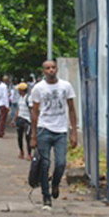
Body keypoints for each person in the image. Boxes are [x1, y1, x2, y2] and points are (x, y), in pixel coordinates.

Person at [29, 59, 78, 209]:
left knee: (61, 162)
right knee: (44, 164)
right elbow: (35, 112)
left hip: (61, 130)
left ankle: (55, 183)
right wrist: (33, 135)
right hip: (44, 129)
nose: (50, 70)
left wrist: (74, 131)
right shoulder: (38, 88)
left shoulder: (65, 86)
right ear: (43, 71)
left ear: (56, 69)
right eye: (47, 68)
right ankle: (46, 196)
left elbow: (71, 109)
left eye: (53, 67)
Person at [14, 82, 33, 159]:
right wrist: (15, 119)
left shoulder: (28, 98)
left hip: (27, 120)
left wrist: (33, 121)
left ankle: (29, 153)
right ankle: (21, 151)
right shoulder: (20, 98)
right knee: (19, 137)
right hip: (20, 118)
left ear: (22, 90)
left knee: (28, 137)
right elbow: (19, 109)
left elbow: (31, 110)